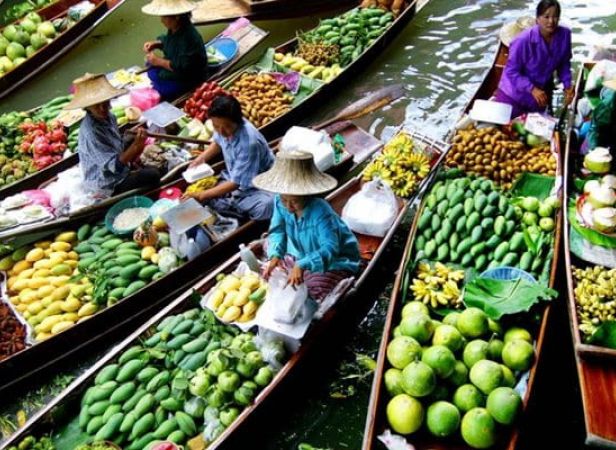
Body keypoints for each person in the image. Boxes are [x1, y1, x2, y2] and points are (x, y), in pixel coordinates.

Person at [254, 151, 361, 301]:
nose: (288, 206)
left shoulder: (320, 211)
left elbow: (330, 248)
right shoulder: (279, 202)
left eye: (294, 201)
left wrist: (302, 264)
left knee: (314, 290)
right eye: (285, 200)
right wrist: (275, 255)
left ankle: (303, 269)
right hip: (300, 250)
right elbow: (278, 231)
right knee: (269, 245)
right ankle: (291, 264)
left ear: (306, 195)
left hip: (334, 258)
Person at [65, 73, 160, 195]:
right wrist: (136, 146)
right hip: (107, 183)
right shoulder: (92, 132)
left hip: (114, 161)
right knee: (153, 175)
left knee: (132, 139)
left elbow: (117, 143)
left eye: (105, 103)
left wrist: (134, 139)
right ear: (87, 108)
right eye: (96, 106)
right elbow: (114, 167)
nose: (102, 108)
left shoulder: (109, 117)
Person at [183, 95, 275, 221]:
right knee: (210, 187)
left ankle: (236, 209)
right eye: (216, 126)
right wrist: (201, 158)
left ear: (238, 121)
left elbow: (236, 183)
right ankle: (228, 200)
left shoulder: (249, 143)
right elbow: (218, 142)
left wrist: (201, 196)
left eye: (226, 126)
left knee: (266, 206)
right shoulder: (221, 126)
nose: (221, 131)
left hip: (257, 183)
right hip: (232, 175)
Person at [494, 0, 573, 119]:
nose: (551, 21)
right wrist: (532, 89)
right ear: (537, 19)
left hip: (539, 97)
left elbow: (564, 63)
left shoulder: (565, 35)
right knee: (506, 130)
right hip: (513, 95)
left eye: (555, 17)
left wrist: (567, 85)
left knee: (537, 130)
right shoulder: (522, 41)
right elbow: (511, 72)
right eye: (546, 17)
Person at [141, 0, 208, 100]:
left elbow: (182, 68)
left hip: (188, 77)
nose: (161, 20)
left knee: (161, 88)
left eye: (164, 17)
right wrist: (157, 44)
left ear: (177, 17)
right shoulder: (175, 28)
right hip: (177, 67)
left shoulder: (188, 38)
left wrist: (158, 61)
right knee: (150, 67)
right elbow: (170, 41)